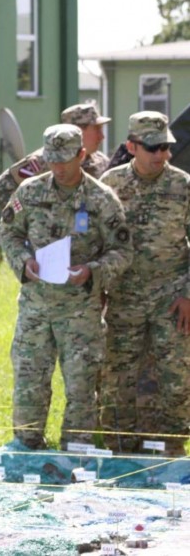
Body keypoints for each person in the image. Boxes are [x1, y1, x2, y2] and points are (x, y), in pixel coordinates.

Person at [0, 124, 132, 450]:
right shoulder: (29, 193)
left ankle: (77, 456)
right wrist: (23, 262)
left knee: (82, 387)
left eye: (65, 160)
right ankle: (28, 450)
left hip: (79, 310)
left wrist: (92, 271)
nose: (58, 168)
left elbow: (122, 250)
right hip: (36, 307)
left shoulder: (101, 199)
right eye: (52, 160)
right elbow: (10, 233)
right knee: (29, 383)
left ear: (81, 155)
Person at [99, 111, 190, 455]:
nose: (162, 155)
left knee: (175, 379)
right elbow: (96, 241)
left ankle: (170, 450)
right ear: (131, 147)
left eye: (166, 147)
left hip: (172, 300)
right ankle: (119, 449)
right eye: (153, 148)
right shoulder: (111, 184)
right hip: (124, 299)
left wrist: (188, 295)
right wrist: (98, 289)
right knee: (118, 377)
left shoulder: (183, 185)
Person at [0, 103, 112, 209]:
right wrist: (30, 217)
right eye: (97, 129)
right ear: (76, 131)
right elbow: (1, 189)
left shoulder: (101, 162)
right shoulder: (42, 161)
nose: (102, 136)